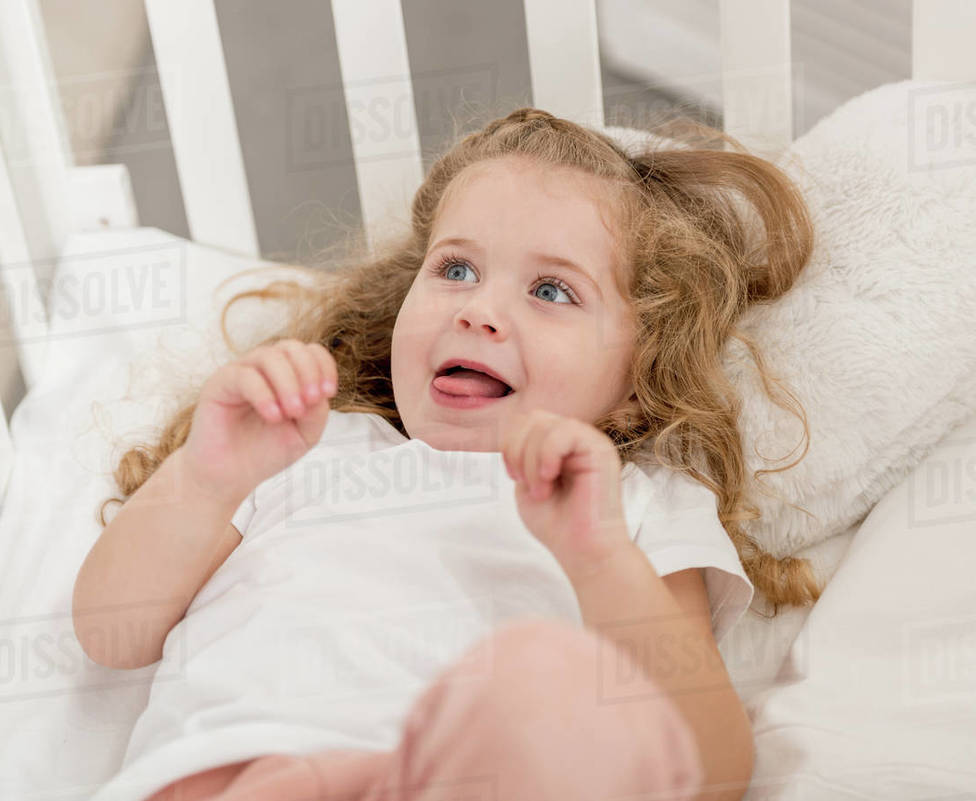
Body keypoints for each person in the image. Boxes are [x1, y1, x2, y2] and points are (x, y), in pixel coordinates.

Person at [72, 107, 820, 801]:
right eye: (455, 269)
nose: (479, 309)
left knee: (535, 680)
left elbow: (713, 766)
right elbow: (111, 633)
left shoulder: (629, 505)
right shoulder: (305, 447)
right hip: (227, 773)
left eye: (552, 290)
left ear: (637, 379)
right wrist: (205, 476)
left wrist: (598, 558)